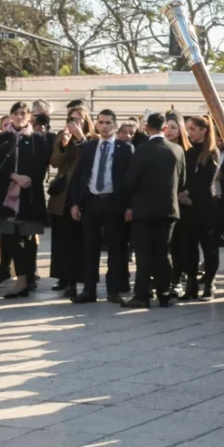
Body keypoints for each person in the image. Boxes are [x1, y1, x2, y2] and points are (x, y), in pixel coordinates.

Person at [68, 109, 134, 304]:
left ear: (114, 125)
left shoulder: (125, 148)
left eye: (108, 123)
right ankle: (89, 290)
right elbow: (79, 176)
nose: (104, 126)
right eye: (101, 122)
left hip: (114, 202)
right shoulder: (88, 147)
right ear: (96, 124)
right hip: (91, 202)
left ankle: (114, 290)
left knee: (115, 248)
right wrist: (75, 203)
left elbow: (130, 180)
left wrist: (129, 206)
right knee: (90, 247)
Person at [122, 112, 186, 308]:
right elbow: (182, 181)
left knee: (143, 254)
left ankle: (142, 295)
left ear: (147, 128)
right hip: (168, 209)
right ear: (165, 128)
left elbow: (130, 180)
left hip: (144, 210)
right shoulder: (177, 150)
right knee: (163, 252)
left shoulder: (142, 150)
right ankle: (165, 293)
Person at [0, 102, 51, 298]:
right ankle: (19, 279)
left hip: (29, 195)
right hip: (7, 196)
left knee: (27, 239)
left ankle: (26, 280)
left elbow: (42, 163)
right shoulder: (2, 139)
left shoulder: (38, 138)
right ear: (10, 116)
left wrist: (28, 178)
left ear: (29, 117)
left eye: (24, 114)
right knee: (10, 239)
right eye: (16, 113)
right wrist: (13, 176)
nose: (20, 117)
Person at [48, 107, 95, 298]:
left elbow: (90, 160)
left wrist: (80, 137)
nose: (74, 122)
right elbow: (55, 162)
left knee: (78, 239)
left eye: (79, 119)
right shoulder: (62, 136)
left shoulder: (92, 138)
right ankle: (63, 277)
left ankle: (78, 278)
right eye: (71, 119)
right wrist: (64, 144)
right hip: (62, 195)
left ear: (86, 121)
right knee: (61, 238)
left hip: (81, 194)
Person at [181, 115, 220, 301]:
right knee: (189, 247)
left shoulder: (211, 153)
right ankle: (191, 283)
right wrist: (182, 193)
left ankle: (209, 283)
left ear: (204, 130)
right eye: (188, 129)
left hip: (205, 206)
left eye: (193, 129)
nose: (190, 133)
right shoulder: (188, 152)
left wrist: (188, 193)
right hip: (188, 207)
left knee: (208, 246)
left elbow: (206, 181)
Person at [165, 112, 191, 294]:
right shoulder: (158, 147)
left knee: (180, 245)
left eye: (174, 127)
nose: (169, 131)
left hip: (182, 204)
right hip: (162, 204)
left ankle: (177, 279)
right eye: (167, 127)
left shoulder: (187, 151)